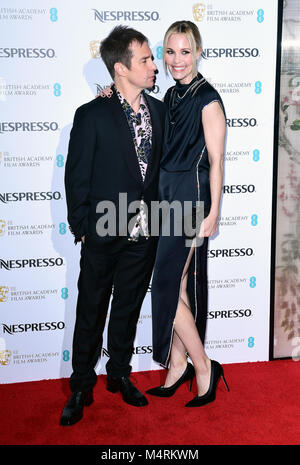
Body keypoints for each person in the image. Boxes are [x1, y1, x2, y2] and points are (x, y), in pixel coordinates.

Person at [60, 25, 166, 426]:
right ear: (121, 68)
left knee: (127, 307)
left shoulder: (158, 110)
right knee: (91, 309)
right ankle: (81, 384)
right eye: (146, 60)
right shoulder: (91, 114)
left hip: (145, 234)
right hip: (102, 232)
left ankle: (118, 373)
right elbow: (77, 175)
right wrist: (82, 226)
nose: (154, 66)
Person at [146, 20, 229, 407]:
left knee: (165, 285)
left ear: (197, 52)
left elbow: (216, 160)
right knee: (174, 286)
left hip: (190, 198)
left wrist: (213, 211)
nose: (176, 60)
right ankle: (177, 363)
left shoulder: (207, 98)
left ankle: (204, 366)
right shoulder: (172, 95)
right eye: (170, 51)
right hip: (167, 195)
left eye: (184, 51)